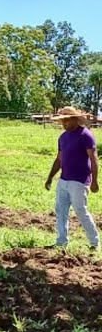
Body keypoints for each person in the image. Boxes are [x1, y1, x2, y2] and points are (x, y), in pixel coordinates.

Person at [44, 106, 99, 250]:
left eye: (66, 120)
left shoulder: (85, 135)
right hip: (63, 180)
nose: (63, 124)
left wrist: (94, 181)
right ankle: (61, 241)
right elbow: (59, 159)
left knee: (80, 210)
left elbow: (93, 159)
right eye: (62, 121)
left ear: (75, 119)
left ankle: (94, 242)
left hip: (79, 181)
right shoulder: (63, 137)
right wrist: (50, 177)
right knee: (61, 210)